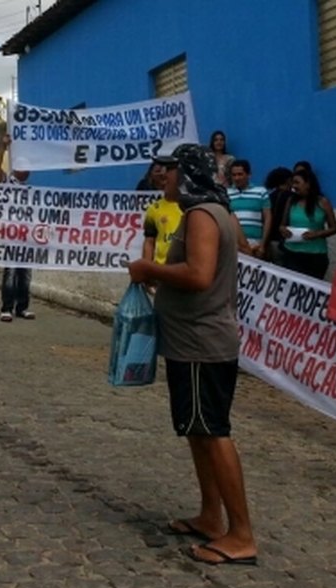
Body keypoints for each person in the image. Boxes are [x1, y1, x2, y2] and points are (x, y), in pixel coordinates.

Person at [127, 144, 257, 566]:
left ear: (189, 175)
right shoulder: (211, 212)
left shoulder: (202, 215)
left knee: (214, 432)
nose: (163, 177)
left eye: (170, 170)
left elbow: (199, 275)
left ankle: (240, 535)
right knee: (198, 431)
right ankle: (209, 515)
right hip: (190, 341)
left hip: (203, 344)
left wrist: (149, 271)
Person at [0, 134, 35, 322]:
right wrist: (3, 147)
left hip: (27, 237)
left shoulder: (30, 189)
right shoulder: (7, 183)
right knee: (10, 273)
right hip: (11, 236)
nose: (27, 173)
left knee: (25, 274)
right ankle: (7, 307)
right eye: (24, 170)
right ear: (17, 169)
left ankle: (22, 307)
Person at [279, 168, 336, 280]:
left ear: (308, 184)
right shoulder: (291, 201)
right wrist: (283, 229)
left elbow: (334, 228)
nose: (294, 186)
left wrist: (317, 234)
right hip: (292, 253)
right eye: (292, 183)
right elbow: (282, 224)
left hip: (315, 255)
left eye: (297, 182)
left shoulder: (323, 202)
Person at [226, 159, 272, 258]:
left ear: (249, 175)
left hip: (255, 245)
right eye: (234, 175)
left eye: (240, 174)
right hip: (233, 245)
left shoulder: (261, 192)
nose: (237, 178)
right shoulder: (226, 194)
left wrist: (262, 245)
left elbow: (267, 218)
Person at [141, 163, 182, 266]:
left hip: (183, 269)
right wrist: (147, 268)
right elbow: (149, 241)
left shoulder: (191, 206)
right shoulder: (153, 209)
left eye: (167, 179)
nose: (164, 183)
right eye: (162, 180)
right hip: (161, 268)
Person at [262, 166, 293, 267]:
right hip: (285, 240)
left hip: (271, 239)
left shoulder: (269, 197)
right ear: (288, 180)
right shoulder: (291, 197)